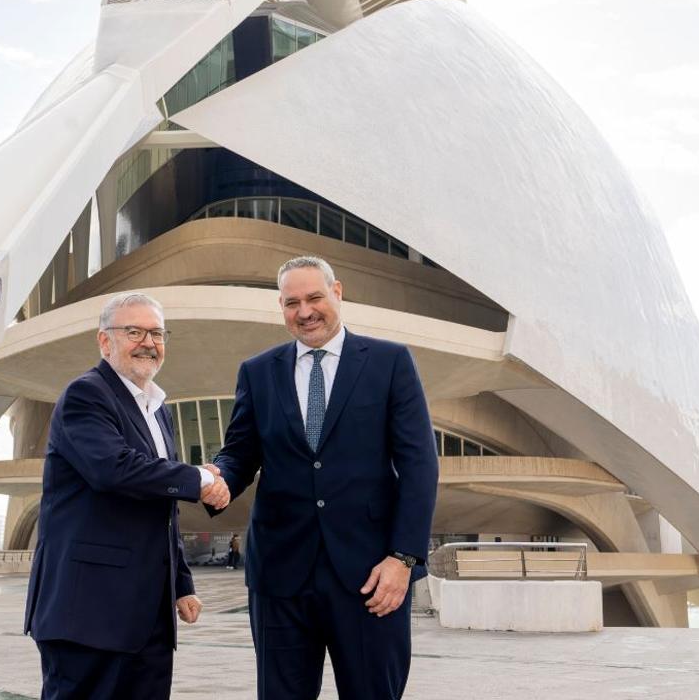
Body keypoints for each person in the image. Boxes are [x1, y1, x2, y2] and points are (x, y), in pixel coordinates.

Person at [211, 256, 439, 699]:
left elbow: (420, 465)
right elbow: (240, 454)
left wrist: (403, 559)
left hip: (371, 575)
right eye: (291, 302)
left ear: (337, 293)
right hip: (280, 575)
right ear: (281, 307)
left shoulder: (390, 363)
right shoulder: (257, 372)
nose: (305, 311)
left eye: (314, 297)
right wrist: (214, 476)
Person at [24, 292, 231, 700]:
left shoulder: (158, 409)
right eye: (134, 331)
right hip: (89, 615)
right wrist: (200, 479)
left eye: (156, 333)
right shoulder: (86, 395)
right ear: (105, 341)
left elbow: (160, 508)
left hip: (146, 618)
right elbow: (113, 469)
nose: (148, 342)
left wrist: (181, 584)